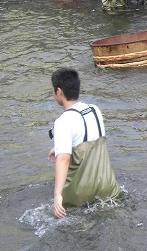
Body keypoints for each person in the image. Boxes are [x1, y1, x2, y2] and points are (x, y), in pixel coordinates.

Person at [48, 68, 120, 219]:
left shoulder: (63, 121)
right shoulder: (94, 110)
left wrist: (57, 195)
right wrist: (59, 147)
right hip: (107, 185)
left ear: (59, 91)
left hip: (81, 193)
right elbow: (90, 139)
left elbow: (64, 159)